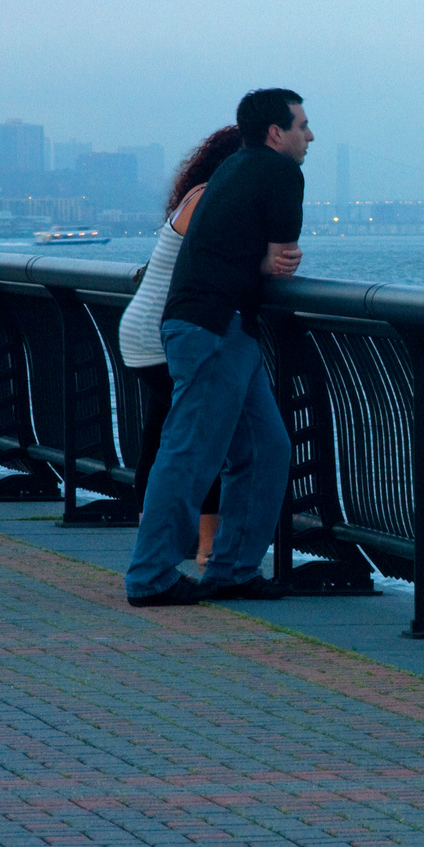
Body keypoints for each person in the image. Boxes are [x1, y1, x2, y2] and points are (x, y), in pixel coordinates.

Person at [124, 88, 313, 606]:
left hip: (220, 328)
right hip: (213, 329)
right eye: (302, 125)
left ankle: (231, 569)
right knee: (189, 454)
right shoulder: (281, 173)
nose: (309, 136)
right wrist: (269, 263)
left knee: (266, 448)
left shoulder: (229, 171)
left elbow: (240, 255)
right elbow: (283, 259)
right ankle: (150, 577)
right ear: (277, 132)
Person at [118, 126, 243, 569]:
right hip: (161, 334)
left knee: (161, 441)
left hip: (143, 330)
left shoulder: (197, 194)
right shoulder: (210, 198)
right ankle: (204, 551)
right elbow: (231, 261)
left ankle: (154, 547)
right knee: (198, 441)